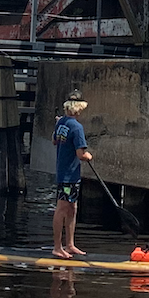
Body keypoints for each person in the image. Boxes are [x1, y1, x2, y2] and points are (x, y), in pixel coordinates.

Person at [52, 88, 91, 259]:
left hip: (68, 174)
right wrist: (89, 156)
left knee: (72, 208)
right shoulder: (77, 127)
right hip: (68, 176)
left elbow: (55, 141)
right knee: (62, 208)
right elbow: (81, 154)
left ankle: (70, 244)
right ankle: (57, 247)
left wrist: (58, 124)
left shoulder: (61, 123)